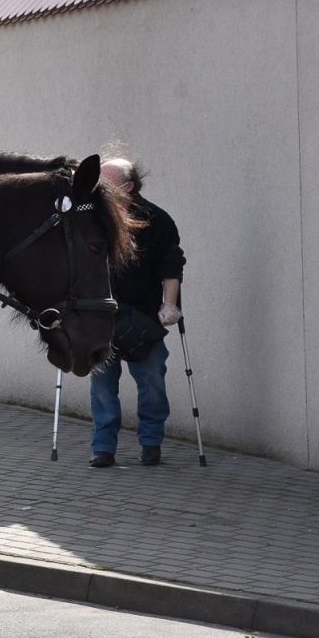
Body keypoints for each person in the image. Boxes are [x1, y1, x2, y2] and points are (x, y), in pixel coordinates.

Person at [91, 157, 185, 468]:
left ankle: (151, 443)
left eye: (105, 183)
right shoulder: (90, 216)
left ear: (128, 187)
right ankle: (102, 448)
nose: (97, 188)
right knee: (103, 387)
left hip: (143, 318)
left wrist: (169, 305)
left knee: (152, 382)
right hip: (102, 318)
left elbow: (171, 265)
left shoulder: (156, 220)